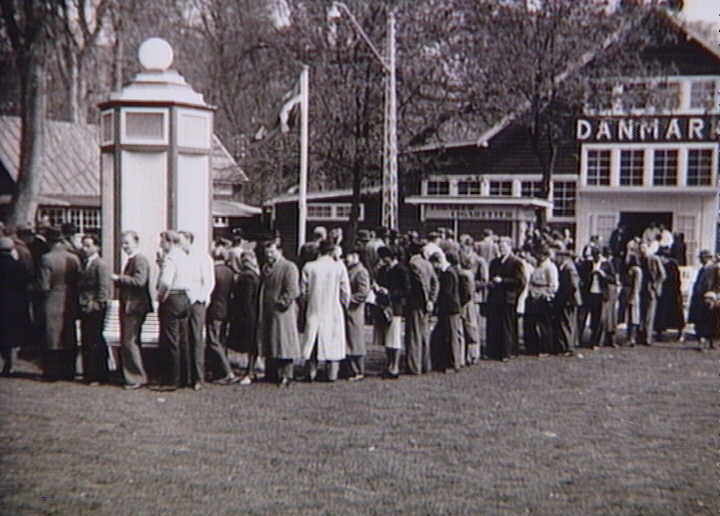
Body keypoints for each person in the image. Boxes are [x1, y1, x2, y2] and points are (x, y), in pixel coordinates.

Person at [301, 239, 350, 382]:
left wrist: (306, 305)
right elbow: (346, 292)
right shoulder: (339, 267)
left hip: (314, 308)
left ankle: (311, 372)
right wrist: (344, 306)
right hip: (333, 309)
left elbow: (303, 292)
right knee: (334, 341)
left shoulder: (309, 267)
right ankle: (331, 374)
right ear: (332, 251)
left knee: (313, 340)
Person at [38, 227, 81, 381]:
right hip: (70, 299)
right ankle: (69, 371)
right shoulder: (74, 258)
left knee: (52, 336)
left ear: (50, 241)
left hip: (53, 299)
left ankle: (51, 372)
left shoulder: (46, 258)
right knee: (69, 335)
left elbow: (44, 285)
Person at [256, 240, 301, 387]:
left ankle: (287, 375)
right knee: (271, 341)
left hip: (283, 312)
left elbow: (293, 290)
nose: (269, 255)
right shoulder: (266, 268)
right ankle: (272, 373)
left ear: (280, 251)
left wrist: (282, 302)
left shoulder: (289, 267)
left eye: (272, 252)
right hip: (268, 310)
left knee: (284, 342)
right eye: (267, 253)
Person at [112, 231, 153, 390]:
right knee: (129, 341)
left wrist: (119, 278)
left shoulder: (140, 259)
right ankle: (131, 374)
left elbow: (140, 281)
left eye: (127, 243)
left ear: (136, 242)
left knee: (130, 341)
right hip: (130, 306)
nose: (124, 246)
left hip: (134, 307)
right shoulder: (132, 260)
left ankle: (137, 377)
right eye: (123, 243)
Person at [156, 230, 193, 390]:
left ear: (169, 242)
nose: (160, 245)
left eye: (162, 241)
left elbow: (165, 282)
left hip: (172, 298)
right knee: (183, 340)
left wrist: (160, 297)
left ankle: (171, 380)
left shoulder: (171, 258)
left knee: (170, 340)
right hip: (185, 298)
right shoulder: (185, 257)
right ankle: (185, 377)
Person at [180, 230, 215, 391]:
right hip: (182, 302)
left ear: (188, 240)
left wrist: (199, 298)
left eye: (181, 241)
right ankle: (186, 376)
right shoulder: (180, 258)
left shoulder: (202, 257)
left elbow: (208, 282)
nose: (179, 244)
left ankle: (198, 378)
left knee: (196, 338)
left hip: (196, 302)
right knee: (184, 338)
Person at [77, 235, 112, 385]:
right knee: (88, 340)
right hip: (85, 307)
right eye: (83, 245)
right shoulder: (86, 263)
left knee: (94, 340)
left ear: (96, 247)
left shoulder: (100, 265)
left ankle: (97, 374)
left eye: (88, 245)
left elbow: (104, 288)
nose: (85, 249)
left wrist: (97, 304)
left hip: (94, 308)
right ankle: (90, 373)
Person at [486, 237, 526, 361]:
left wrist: (503, 281)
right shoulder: (494, 262)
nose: (501, 249)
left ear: (509, 247)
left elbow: (520, 281)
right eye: (499, 247)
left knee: (507, 326)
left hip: (508, 298)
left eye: (503, 247)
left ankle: (507, 351)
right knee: (495, 325)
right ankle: (494, 351)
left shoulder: (516, 262)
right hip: (495, 298)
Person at [373, 246, 410, 378]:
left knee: (394, 338)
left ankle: (395, 366)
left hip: (395, 307)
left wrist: (389, 292)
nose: (383, 260)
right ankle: (389, 364)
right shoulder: (383, 270)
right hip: (384, 306)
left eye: (385, 258)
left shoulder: (401, 270)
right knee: (387, 339)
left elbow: (406, 290)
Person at [205, 245, 239, 384]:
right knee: (221, 341)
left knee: (213, 341)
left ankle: (227, 371)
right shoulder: (230, 272)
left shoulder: (213, 272)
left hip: (214, 309)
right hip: (226, 309)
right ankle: (220, 370)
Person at [404, 241, 438, 374]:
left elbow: (420, 285)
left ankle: (414, 366)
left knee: (414, 335)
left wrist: (426, 300)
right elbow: (435, 282)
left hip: (416, 304)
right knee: (424, 334)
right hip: (426, 305)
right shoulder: (428, 263)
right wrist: (431, 300)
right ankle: (425, 364)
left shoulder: (413, 264)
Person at [229, 251, 261, 385]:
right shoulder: (256, 275)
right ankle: (251, 370)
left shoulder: (245, 277)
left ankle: (249, 372)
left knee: (248, 344)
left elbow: (244, 300)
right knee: (253, 345)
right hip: (254, 312)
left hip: (246, 314)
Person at [0, 237, 31, 375]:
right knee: (12, 336)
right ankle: (10, 365)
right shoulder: (18, 265)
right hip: (14, 305)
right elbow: (25, 283)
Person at [429, 252, 463, 372]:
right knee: (449, 335)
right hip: (451, 308)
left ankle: (454, 364)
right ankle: (450, 362)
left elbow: (446, 293)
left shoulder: (447, 273)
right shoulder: (450, 271)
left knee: (452, 336)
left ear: (437, 262)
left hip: (449, 309)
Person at [524, 246, 558, 356]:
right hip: (533, 296)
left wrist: (545, 294)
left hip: (542, 298)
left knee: (544, 325)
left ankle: (546, 348)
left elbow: (553, 285)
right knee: (530, 323)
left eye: (540, 255)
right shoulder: (537, 266)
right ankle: (532, 347)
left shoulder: (550, 267)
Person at [344, 248, 371, 381]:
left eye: (348, 256)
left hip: (355, 311)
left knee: (355, 341)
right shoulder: (350, 270)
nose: (346, 259)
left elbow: (363, 292)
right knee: (349, 340)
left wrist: (348, 299)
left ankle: (359, 370)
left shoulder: (361, 272)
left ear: (356, 256)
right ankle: (350, 369)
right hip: (348, 311)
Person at [553, 247, 582, 356]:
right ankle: (565, 346)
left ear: (563, 257)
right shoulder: (564, 267)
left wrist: (568, 298)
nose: (556, 258)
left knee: (567, 323)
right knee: (564, 323)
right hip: (566, 299)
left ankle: (569, 347)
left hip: (569, 300)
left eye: (558, 256)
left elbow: (573, 285)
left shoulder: (569, 268)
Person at [687, 249, 720, 341]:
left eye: (702, 258)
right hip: (699, 296)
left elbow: (716, 283)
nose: (700, 260)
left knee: (707, 317)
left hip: (708, 296)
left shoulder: (713, 268)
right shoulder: (703, 268)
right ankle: (700, 334)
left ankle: (707, 336)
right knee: (700, 316)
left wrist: (714, 294)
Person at [638, 241, 666, 346]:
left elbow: (662, 275)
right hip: (641, 289)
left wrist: (655, 285)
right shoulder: (640, 260)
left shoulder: (654, 259)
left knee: (650, 315)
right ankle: (641, 335)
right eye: (640, 250)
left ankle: (647, 338)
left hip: (651, 289)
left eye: (643, 250)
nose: (642, 252)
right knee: (642, 314)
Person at [624, 254, 642, 346]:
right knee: (630, 317)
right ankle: (630, 337)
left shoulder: (635, 270)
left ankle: (632, 338)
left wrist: (633, 295)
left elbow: (636, 285)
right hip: (632, 294)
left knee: (633, 317)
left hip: (633, 295)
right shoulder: (636, 270)